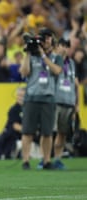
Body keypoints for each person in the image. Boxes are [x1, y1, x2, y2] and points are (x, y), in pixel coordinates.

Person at [19, 27, 63, 170]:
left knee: (47, 132)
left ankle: (46, 160)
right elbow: (24, 72)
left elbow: (57, 71)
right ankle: (25, 161)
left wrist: (43, 55)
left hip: (48, 98)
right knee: (27, 131)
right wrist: (27, 53)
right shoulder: (31, 55)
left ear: (52, 40)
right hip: (31, 97)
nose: (46, 40)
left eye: (49, 37)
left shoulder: (57, 57)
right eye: (44, 37)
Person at [53, 38, 79, 169]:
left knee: (62, 133)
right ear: (57, 47)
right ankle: (44, 159)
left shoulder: (72, 63)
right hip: (56, 100)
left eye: (67, 46)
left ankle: (57, 159)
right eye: (62, 45)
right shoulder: (53, 60)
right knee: (50, 132)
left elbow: (75, 84)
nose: (64, 48)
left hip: (68, 101)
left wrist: (76, 103)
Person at [0, 87, 25, 159]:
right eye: (20, 95)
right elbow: (15, 126)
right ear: (16, 96)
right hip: (13, 135)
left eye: (23, 95)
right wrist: (28, 131)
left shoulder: (28, 108)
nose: (21, 97)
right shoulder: (14, 109)